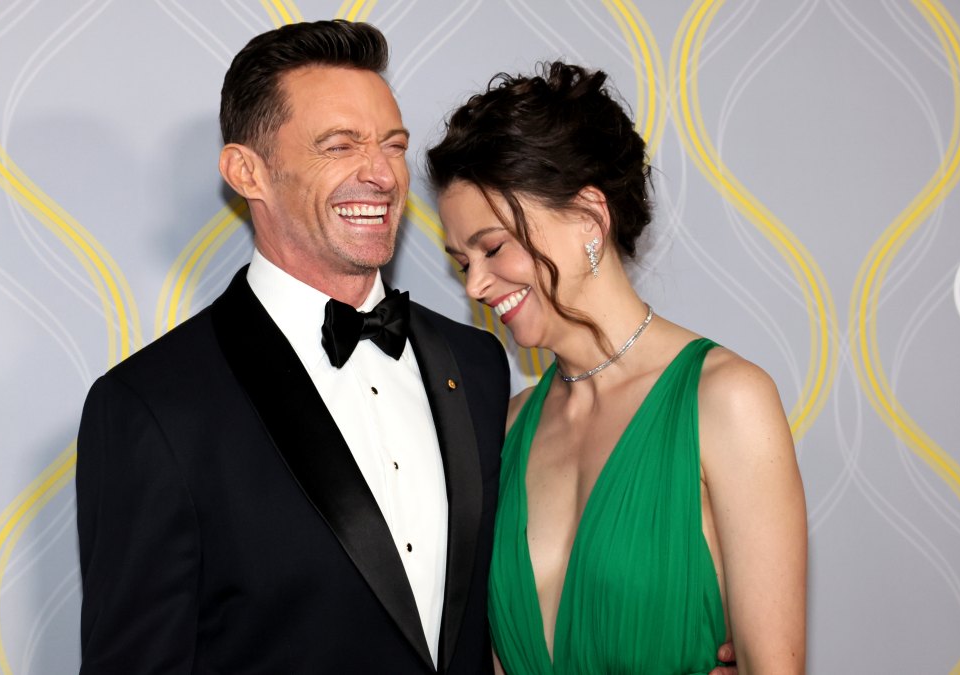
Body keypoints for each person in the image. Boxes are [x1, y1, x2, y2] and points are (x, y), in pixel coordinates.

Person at [75, 21, 510, 673]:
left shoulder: (476, 365)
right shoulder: (153, 407)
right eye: (340, 145)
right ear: (246, 171)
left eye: (393, 146)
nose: (381, 174)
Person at [428, 63, 807, 674]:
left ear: (589, 218)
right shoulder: (507, 427)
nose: (475, 284)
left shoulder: (726, 401)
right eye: (462, 261)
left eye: (493, 247)